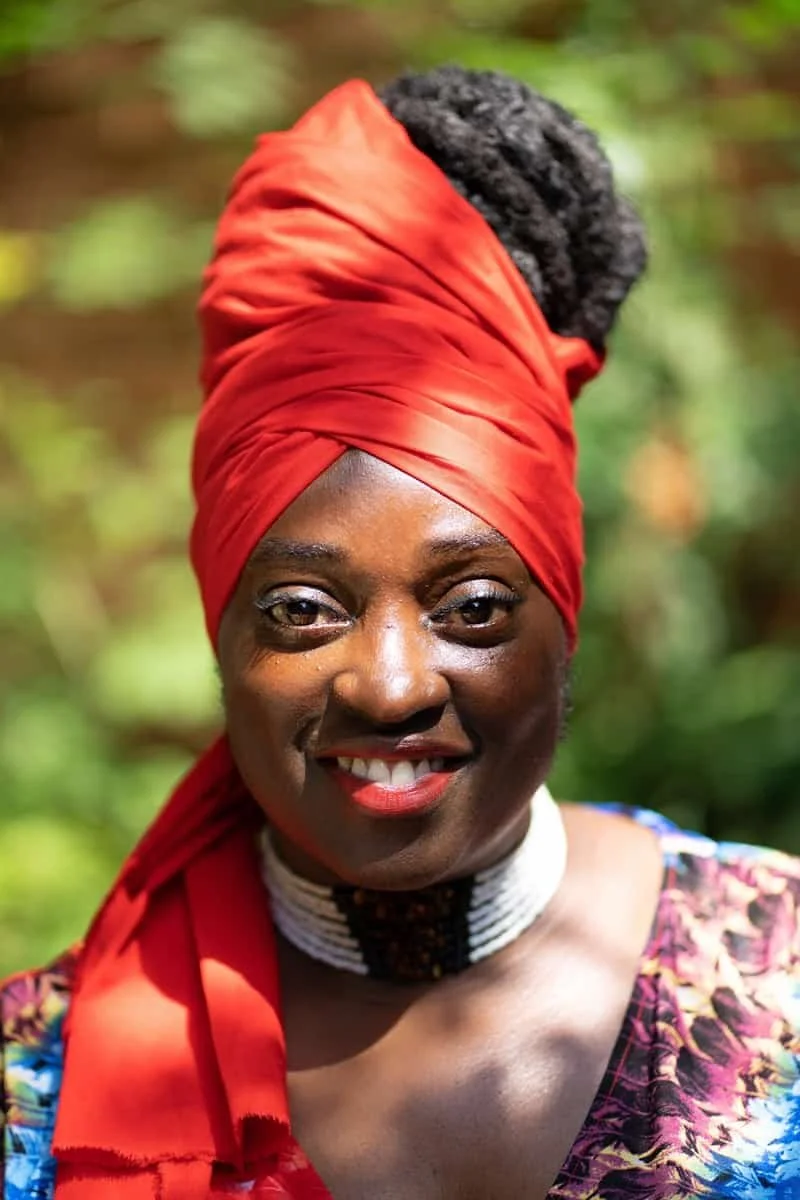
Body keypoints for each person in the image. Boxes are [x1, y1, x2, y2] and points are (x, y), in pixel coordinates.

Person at [2, 65, 799, 1200]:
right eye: (302, 611)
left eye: (472, 607)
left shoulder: (776, 984)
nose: (387, 684)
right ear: (221, 636)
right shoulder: (42, 1090)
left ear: (562, 620)